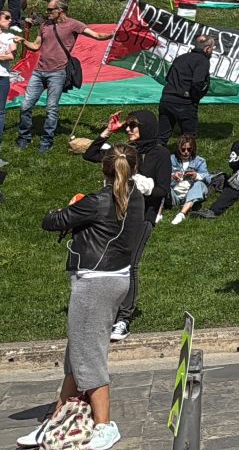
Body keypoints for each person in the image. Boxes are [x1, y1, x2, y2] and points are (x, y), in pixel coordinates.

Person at [17, 144, 147, 450]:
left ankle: (104, 426)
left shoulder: (98, 201)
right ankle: (56, 420)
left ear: (103, 170)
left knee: (87, 356)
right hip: (116, 279)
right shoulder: (136, 197)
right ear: (134, 169)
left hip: (93, 282)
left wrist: (71, 207)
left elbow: (52, 221)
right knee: (76, 353)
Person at [82, 109, 168, 343]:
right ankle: (111, 309)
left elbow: (163, 189)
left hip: (141, 217)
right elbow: (90, 154)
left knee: (131, 264)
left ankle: (124, 317)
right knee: (112, 262)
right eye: (127, 125)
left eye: (133, 125)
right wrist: (108, 132)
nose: (128, 129)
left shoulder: (159, 154)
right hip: (116, 215)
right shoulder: (125, 152)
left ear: (147, 127)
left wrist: (145, 187)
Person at [13, 0, 111, 151]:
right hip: (39, 72)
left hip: (57, 73)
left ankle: (46, 141)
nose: (47, 13)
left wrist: (112, 35)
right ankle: (24, 136)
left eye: (50, 10)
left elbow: (97, 36)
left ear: (61, 11)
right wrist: (23, 41)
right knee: (25, 105)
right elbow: (36, 46)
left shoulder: (74, 24)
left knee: (51, 108)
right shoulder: (45, 25)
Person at [157, 33, 215, 140]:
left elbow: (168, 77)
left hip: (166, 100)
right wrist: (194, 98)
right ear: (207, 49)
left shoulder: (181, 58)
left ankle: (155, 155)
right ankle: (186, 156)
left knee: (162, 136)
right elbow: (198, 82)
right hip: (184, 103)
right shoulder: (203, 61)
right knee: (188, 138)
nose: (212, 51)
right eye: (212, 48)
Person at [166, 135, 210, 225]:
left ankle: (182, 213)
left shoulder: (199, 161)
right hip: (174, 193)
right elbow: (162, 177)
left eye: (189, 149)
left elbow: (208, 178)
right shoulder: (171, 160)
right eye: (183, 149)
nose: (186, 152)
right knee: (162, 186)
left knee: (199, 184)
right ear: (178, 149)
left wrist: (196, 176)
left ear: (193, 149)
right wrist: (173, 176)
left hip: (191, 192)